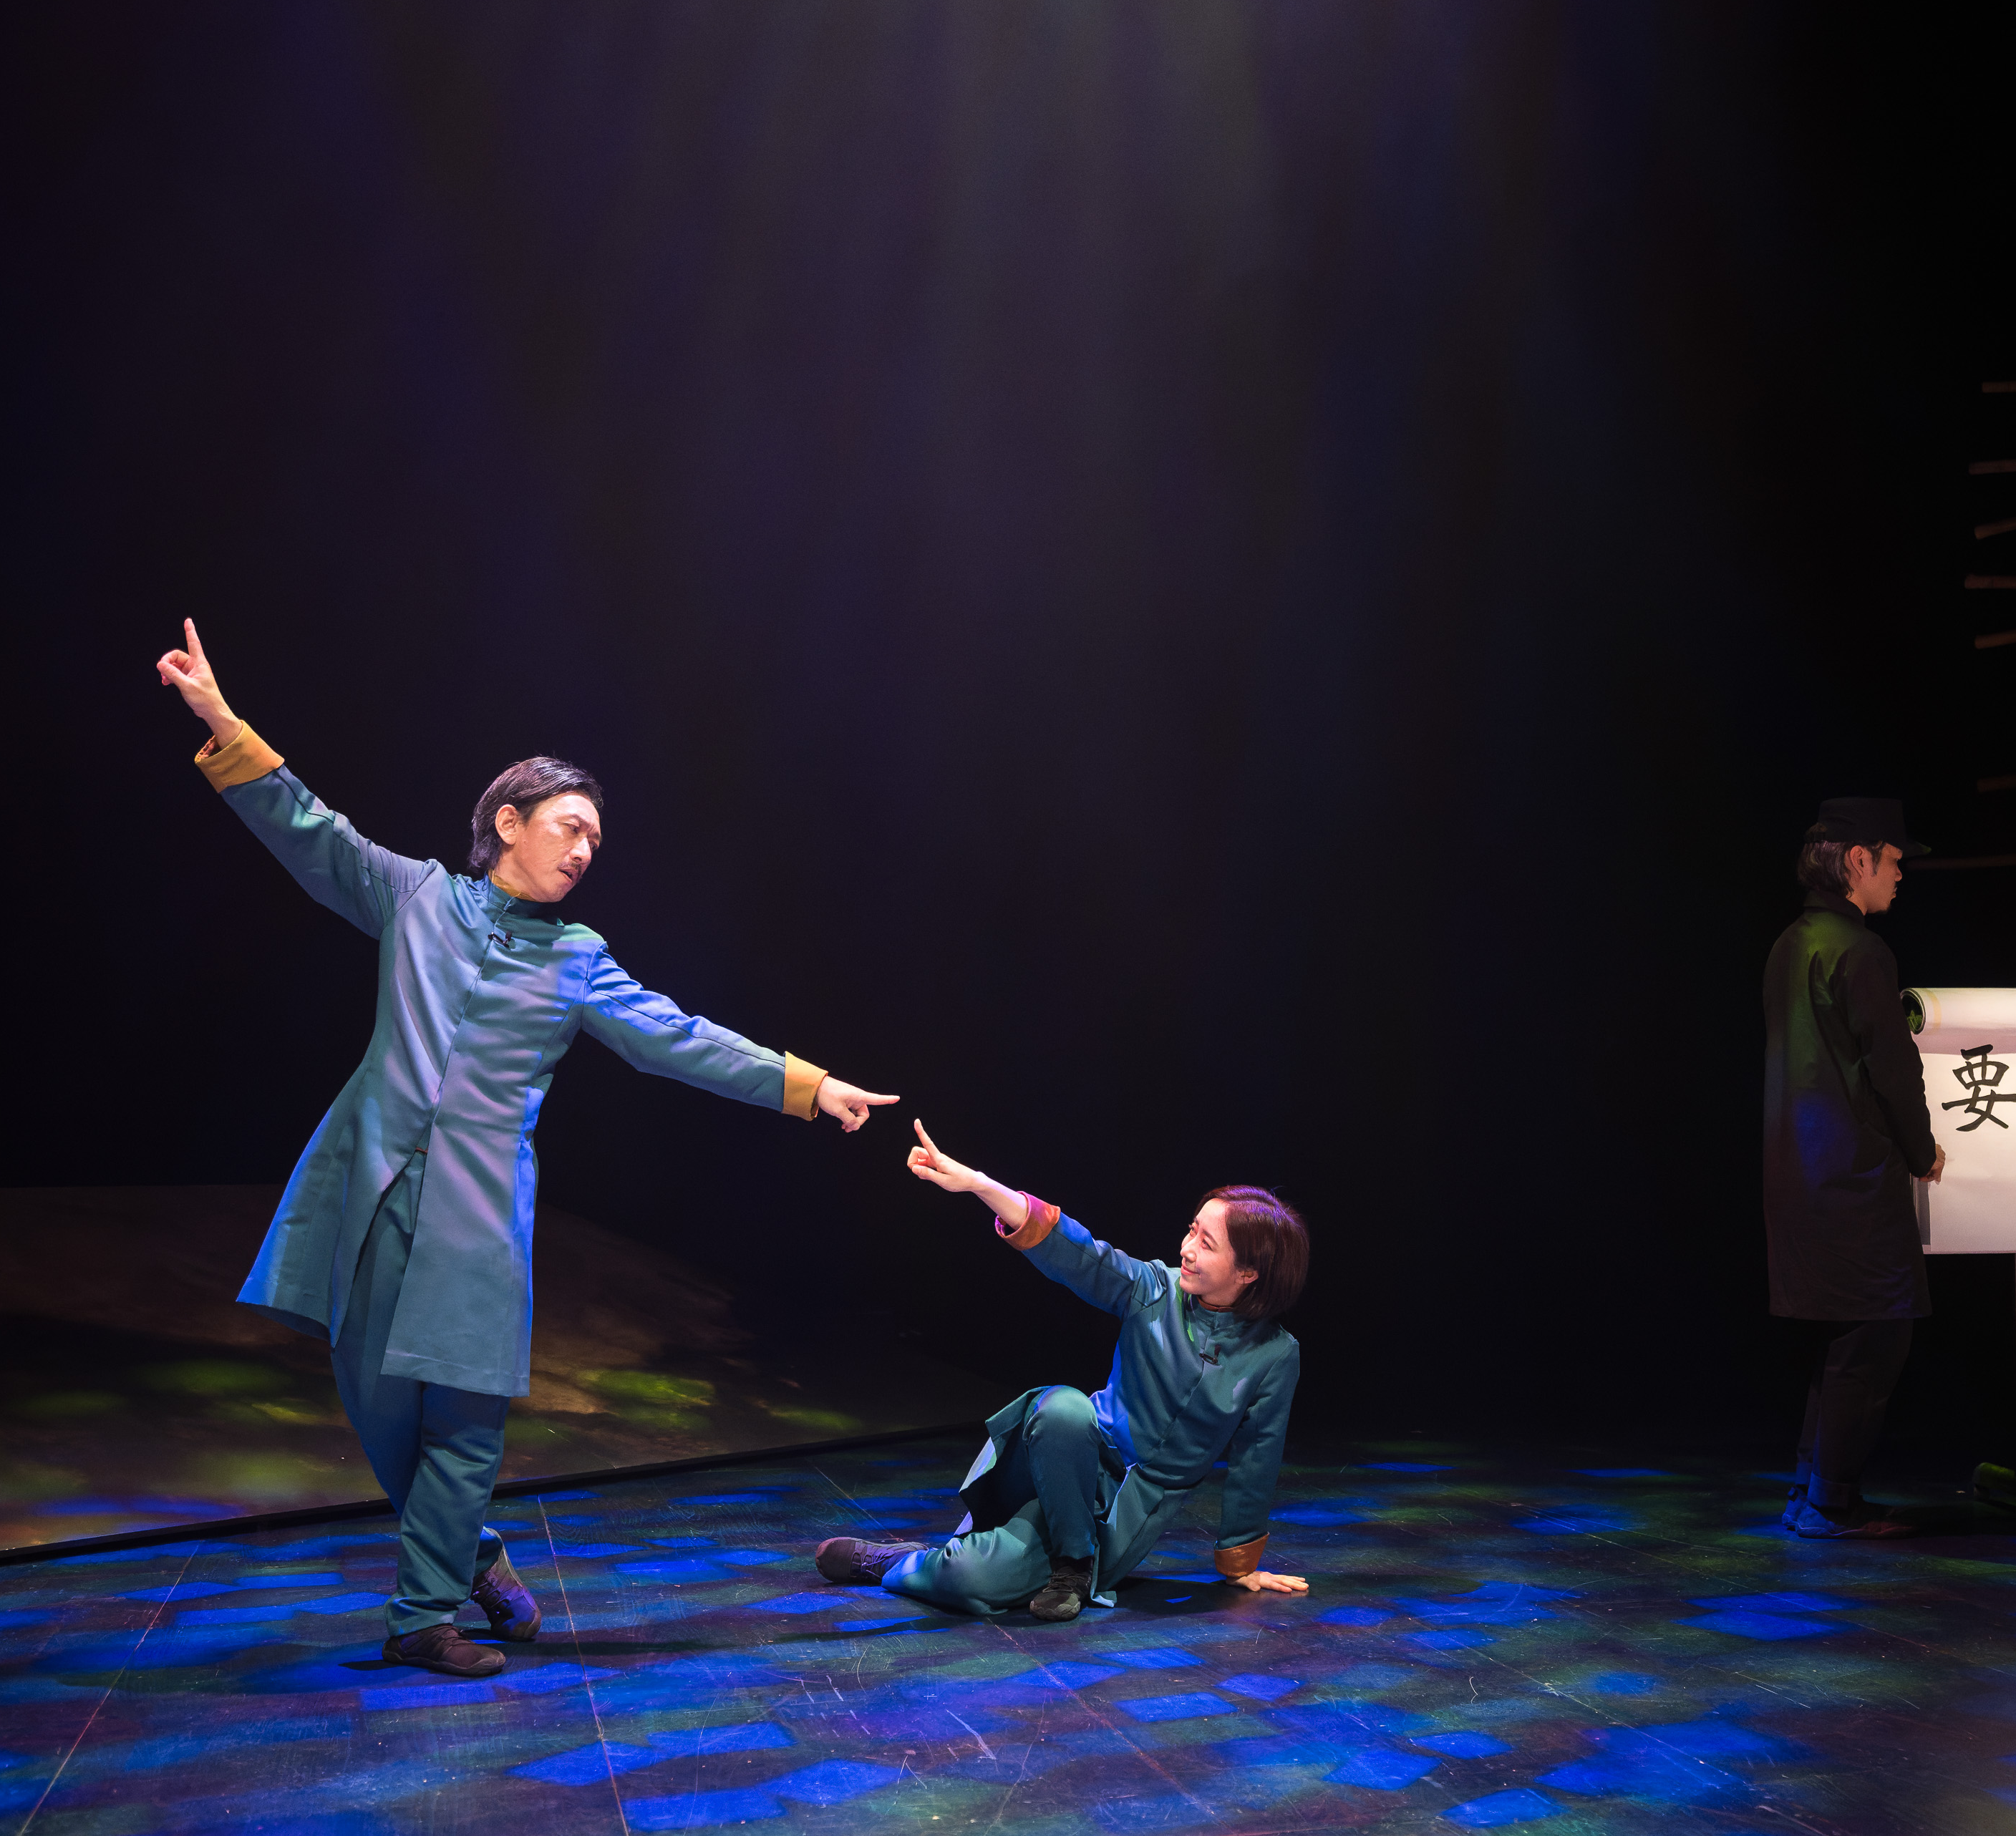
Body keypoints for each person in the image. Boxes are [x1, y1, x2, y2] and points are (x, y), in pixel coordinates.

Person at [155, 618, 896, 1677]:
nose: (585, 850)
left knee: (462, 1420)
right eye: (570, 826)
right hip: (369, 1188)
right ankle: (474, 1554)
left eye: (596, 839)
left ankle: (421, 1617)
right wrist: (222, 720)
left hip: (476, 1211)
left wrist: (808, 1085)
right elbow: (310, 829)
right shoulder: (416, 896)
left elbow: (676, 1036)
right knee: (377, 1406)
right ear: (509, 822)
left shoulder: (579, 957)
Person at [813, 1121, 1309, 1621]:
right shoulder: (1154, 1288)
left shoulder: (1274, 1354)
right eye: (1192, 1230)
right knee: (1063, 1407)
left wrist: (1240, 1564)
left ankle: (903, 1561)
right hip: (1066, 1459)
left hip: (1126, 1510)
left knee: (973, 1580)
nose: (1187, 1247)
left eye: (1208, 1243)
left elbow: (1257, 1458)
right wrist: (979, 1184)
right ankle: (1069, 1563)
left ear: (1249, 1272)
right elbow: (1078, 1253)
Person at [1761, 796, 1944, 1540]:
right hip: (1853, 1174)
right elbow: (1892, 1068)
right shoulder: (1861, 951)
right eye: (1894, 860)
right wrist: (1922, 1149)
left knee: (1846, 1339)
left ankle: (1812, 1491)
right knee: (1875, 1335)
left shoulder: (1790, 943)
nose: (1900, 874)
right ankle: (1830, 1502)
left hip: (1799, 1168)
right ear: (1859, 859)